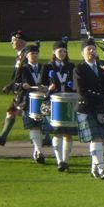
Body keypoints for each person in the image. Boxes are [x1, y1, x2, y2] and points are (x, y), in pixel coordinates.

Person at [74, 38, 104, 180]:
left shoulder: (101, 69)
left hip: (100, 108)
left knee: (99, 140)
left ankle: (94, 169)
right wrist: (102, 97)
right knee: (96, 139)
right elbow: (82, 91)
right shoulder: (79, 69)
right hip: (86, 107)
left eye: (93, 49)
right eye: (89, 49)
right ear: (82, 53)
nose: (92, 52)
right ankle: (101, 168)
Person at [0, 31, 29, 146]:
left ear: (19, 41)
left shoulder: (25, 55)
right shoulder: (20, 55)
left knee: (30, 114)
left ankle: (45, 137)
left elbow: (21, 75)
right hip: (19, 90)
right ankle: (2, 137)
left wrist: (10, 86)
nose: (11, 43)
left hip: (24, 91)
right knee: (11, 112)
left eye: (13, 40)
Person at [41, 41, 76, 172]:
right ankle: (59, 160)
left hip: (68, 101)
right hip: (53, 102)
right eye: (59, 51)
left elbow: (76, 84)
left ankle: (65, 161)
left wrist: (74, 87)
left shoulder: (71, 66)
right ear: (54, 52)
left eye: (64, 51)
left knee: (68, 133)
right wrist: (48, 89)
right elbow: (41, 85)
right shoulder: (48, 66)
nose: (62, 53)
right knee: (57, 132)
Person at [17, 44, 50, 164]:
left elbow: (50, 82)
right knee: (33, 125)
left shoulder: (44, 67)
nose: (35, 56)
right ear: (27, 55)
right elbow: (14, 84)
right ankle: (38, 151)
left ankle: (38, 149)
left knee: (43, 127)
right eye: (32, 54)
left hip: (44, 99)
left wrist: (46, 87)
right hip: (28, 100)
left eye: (36, 53)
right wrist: (22, 85)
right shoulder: (22, 68)